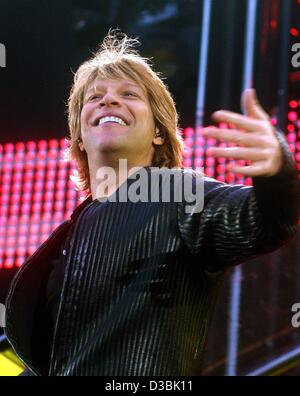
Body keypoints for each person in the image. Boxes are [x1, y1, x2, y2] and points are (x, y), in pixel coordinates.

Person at [5, 30, 299, 376]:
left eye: (129, 94)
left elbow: (266, 221)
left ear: (159, 131)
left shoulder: (175, 192)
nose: (108, 101)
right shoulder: (63, 242)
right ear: (79, 137)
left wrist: (279, 169)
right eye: (94, 97)